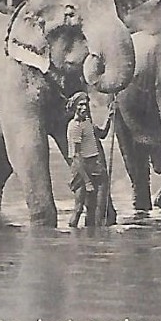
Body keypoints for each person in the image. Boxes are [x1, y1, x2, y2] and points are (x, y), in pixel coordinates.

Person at [66, 91, 116, 228]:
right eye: (80, 105)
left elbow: (102, 134)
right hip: (81, 169)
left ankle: (92, 237)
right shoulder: (74, 127)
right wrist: (87, 181)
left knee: (94, 208)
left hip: (94, 165)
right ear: (75, 107)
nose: (84, 108)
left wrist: (109, 117)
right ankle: (72, 235)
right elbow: (75, 156)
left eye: (86, 105)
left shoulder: (88, 122)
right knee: (79, 207)